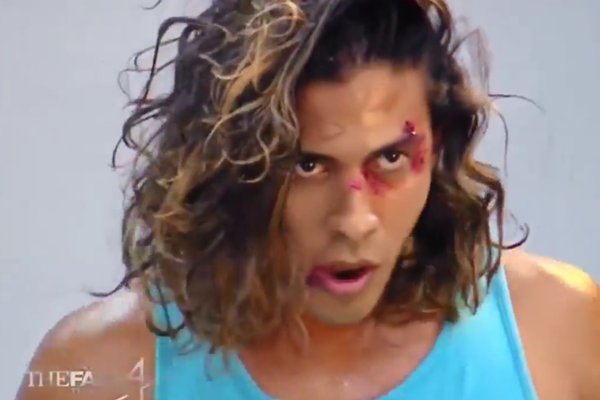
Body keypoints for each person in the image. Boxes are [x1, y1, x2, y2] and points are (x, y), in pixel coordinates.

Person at [16, 0, 600, 399]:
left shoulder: (554, 328)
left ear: (439, 147)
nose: (353, 221)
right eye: (307, 165)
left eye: (390, 159)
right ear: (223, 167)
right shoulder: (101, 371)